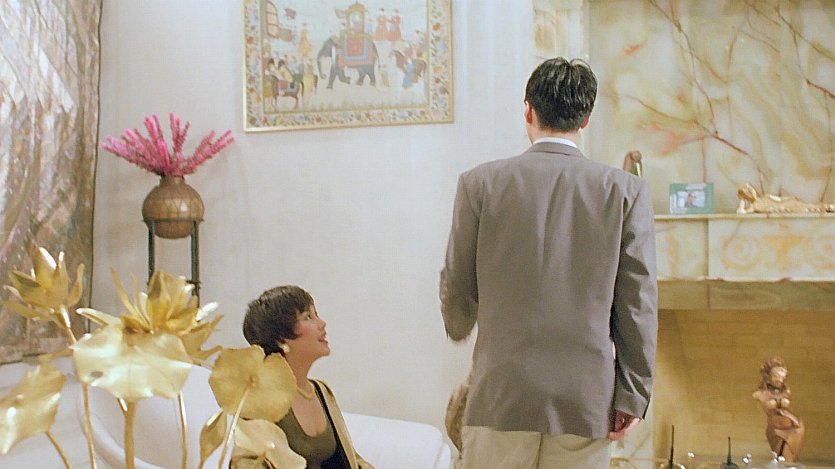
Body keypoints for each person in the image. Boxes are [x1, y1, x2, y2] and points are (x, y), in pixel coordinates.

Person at [439, 57, 658, 468]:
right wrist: (634, 393)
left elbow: (457, 278)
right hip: (585, 397)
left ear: (528, 110)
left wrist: (458, 323)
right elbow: (637, 304)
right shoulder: (625, 191)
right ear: (586, 119)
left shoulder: (479, 184)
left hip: (501, 390)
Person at [234, 285, 374, 469]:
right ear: (281, 338)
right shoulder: (256, 398)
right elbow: (246, 462)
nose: (322, 323)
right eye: (308, 317)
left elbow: (350, 458)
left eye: (316, 314)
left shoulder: (322, 391)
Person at [752, 357, 805, 462]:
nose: (780, 380)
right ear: (768, 376)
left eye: (782, 377)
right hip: (775, 430)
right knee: (779, 459)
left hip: (794, 429)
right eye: (776, 376)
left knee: (788, 459)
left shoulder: (786, 392)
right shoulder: (760, 393)